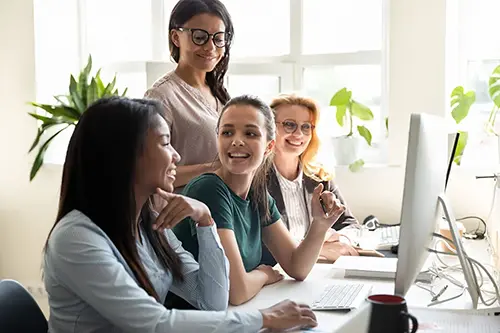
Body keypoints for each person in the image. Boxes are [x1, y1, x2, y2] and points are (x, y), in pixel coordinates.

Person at [42, 97, 318, 333]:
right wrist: (264, 318)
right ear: (125, 155)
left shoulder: (149, 225)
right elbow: (155, 323)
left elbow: (211, 301)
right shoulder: (77, 237)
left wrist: (206, 222)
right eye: (165, 143)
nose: (175, 156)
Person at [173, 95, 346, 306]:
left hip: (230, 316)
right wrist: (265, 274)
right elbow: (236, 291)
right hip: (192, 321)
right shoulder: (209, 189)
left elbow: (297, 266)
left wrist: (320, 224)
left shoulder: (257, 195)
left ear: (269, 146)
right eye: (227, 132)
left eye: (250, 133)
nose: (237, 140)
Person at [261, 93, 360, 266]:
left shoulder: (319, 177)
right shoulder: (255, 181)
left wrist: (342, 241)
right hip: (276, 274)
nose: (298, 134)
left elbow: (350, 224)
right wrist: (318, 248)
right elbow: (257, 245)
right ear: (269, 128)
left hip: (318, 270)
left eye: (306, 127)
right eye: (289, 125)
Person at [144, 0, 234, 192]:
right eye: (200, 37)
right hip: (183, 217)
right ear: (176, 37)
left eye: (218, 38)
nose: (210, 47)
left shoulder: (221, 93)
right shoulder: (161, 96)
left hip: (222, 212)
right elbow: (149, 173)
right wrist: (216, 169)